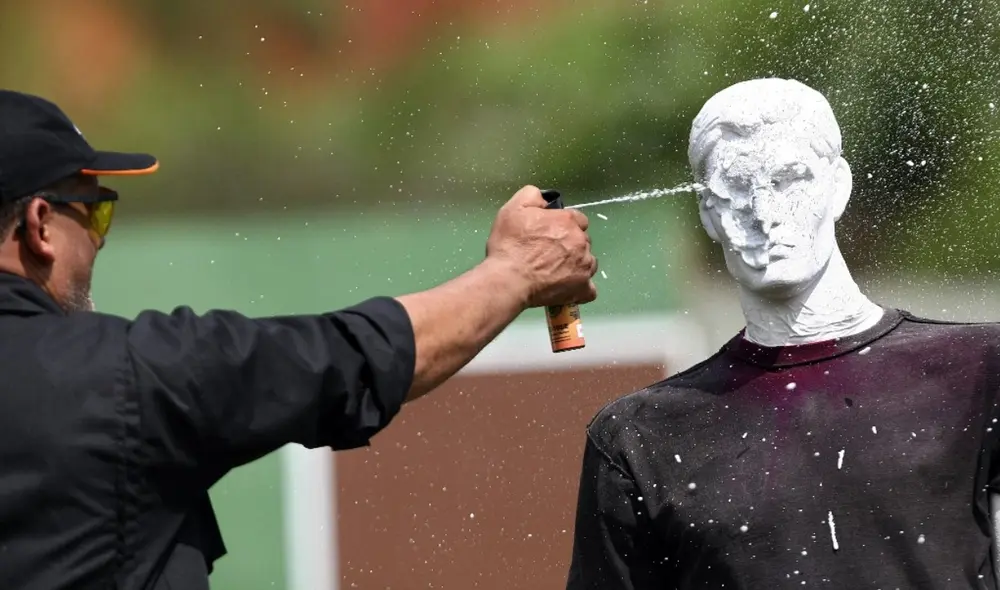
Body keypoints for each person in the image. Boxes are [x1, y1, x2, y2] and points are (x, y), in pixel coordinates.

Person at [0, 89, 598, 590]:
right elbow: (351, 361)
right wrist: (518, 273)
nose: (101, 240)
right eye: (98, 213)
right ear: (41, 226)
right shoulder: (121, 376)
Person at [566, 77, 1000, 589]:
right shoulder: (641, 437)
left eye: (789, 180)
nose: (765, 215)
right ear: (708, 213)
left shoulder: (979, 372)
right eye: (735, 190)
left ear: (838, 185)